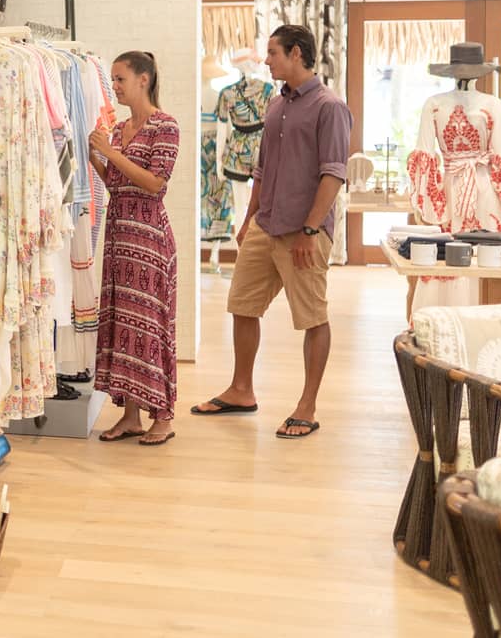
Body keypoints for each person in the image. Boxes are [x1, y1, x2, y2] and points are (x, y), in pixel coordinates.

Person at [191, 24, 352, 439]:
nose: (266, 60)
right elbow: (261, 169)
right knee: (242, 305)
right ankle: (241, 390)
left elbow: (334, 174)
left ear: (296, 54)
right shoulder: (277, 106)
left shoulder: (329, 106)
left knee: (312, 317)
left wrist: (312, 229)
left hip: (305, 230)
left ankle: (307, 406)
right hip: (265, 224)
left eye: (273, 52)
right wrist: (248, 221)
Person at [87, 51, 180, 446]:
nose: (116, 87)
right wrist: (96, 158)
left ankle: (163, 416)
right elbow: (116, 184)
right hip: (120, 236)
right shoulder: (121, 127)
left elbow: (156, 183)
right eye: (113, 80)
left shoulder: (166, 126)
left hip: (149, 239)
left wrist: (110, 153)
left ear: (144, 79)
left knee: (151, 326)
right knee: (124, 326)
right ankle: (130, 417)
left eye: (121, 79)